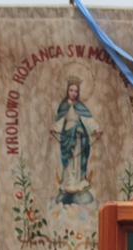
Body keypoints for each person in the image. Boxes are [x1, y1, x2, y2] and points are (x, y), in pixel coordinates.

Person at [51, 77, 102, 205]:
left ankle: (77, 187)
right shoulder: (64, 106)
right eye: (71, 90)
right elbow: (60, 120)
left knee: (78, 163)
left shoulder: (80, 106)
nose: (73, 93)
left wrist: (95, 128)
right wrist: (54, 130)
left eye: (75, 91)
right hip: (66, 138)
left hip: (79, 139)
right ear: (67, 91)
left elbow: (87, 119)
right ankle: (68, 186)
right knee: (68, 163)